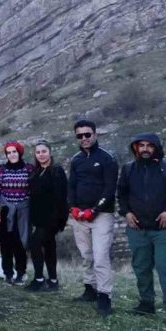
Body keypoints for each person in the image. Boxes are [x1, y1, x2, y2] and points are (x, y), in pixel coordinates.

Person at [117, 133, 166, 329]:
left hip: (164, 231)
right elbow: (122, 195)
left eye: (149, 146)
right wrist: (126, 213)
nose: (145, 149)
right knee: (141, 268)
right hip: (137, 229)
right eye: (141, 145)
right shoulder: (128, 170)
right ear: (136, 148)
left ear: (156, 148)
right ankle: (146, 304)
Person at [67, 119, 118, 316]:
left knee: (100, 256)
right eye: (80, 136)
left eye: (87, 134)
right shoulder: (76, 159)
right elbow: (71, 185)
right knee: (86, 254)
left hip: (101, 215)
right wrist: (72, 208)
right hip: (79, 215)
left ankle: (105, 296)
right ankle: (90, 289)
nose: (84, 138)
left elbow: (110, 188)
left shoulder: (107, 158)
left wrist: (95, 210)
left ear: (95, 134)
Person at [25, 140, 68, 293]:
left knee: (35, 243)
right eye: (38, 152)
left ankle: (39, 279)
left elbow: (61, 197)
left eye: (44, 151)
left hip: (52, 218)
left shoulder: (57, 171)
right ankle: (53, 281)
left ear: (49, 152)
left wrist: (59, 220)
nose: (41, 155)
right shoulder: (35, 172)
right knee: (49, 247)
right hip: (39, 218)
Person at [0, 140, 33, 285]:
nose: (12, 154)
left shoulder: (29, 169)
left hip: (23, 212)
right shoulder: (1, 169)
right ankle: (8, 274)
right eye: (9, 152)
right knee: (5, 244)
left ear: (19, 152)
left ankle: (21, 273)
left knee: (21, 243)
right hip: (5, 211)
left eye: (14, 151)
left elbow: (33, 190)